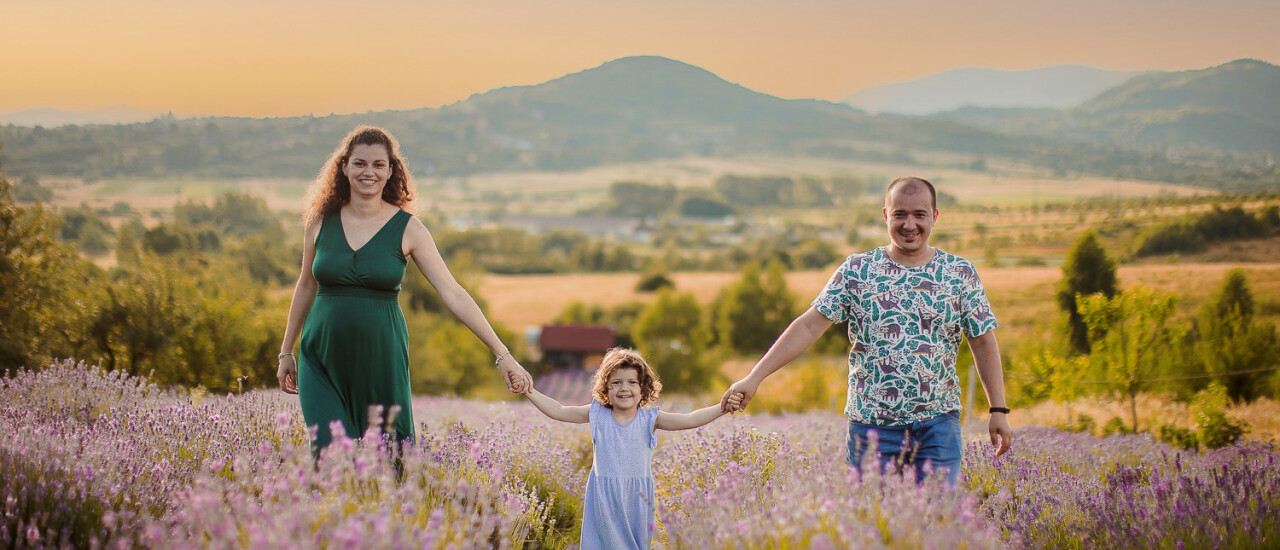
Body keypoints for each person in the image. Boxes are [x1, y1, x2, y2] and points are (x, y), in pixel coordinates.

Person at [721, 176, 1011, 486]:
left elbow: (982, 341)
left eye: (919, 214)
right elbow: (808, 326)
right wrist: (755, 377)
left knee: (937, 523)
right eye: (900, 214)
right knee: (874, 525)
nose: (909, 224)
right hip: (872, 428)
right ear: (886, 216)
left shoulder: (959, 273)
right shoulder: (857, 270)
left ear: (934, 217)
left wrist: (998, 409)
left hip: (938, 425)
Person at [276, 125, 532, 455]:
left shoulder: (409, 228)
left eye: (378, 164)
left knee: (388, 456)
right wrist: (286, 352)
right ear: (343, 167)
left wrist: (503, 354)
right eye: (359, 163)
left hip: (381, 357)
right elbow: (306, 285)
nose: (368, 172)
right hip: (321, 357)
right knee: (329, 456)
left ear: (391, 170)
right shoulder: (319, 220)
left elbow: (452, 292)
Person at [522, 348, 742, 550]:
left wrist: (722, 409)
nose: (624, 388)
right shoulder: (598, 414)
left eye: (632, 382)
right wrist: (529, 391)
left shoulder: (650, 419)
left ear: (643, 388)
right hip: (604, 498)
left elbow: (690, 418)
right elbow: (559, 410)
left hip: (635, 499)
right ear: (605, 388)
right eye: (616, 383)